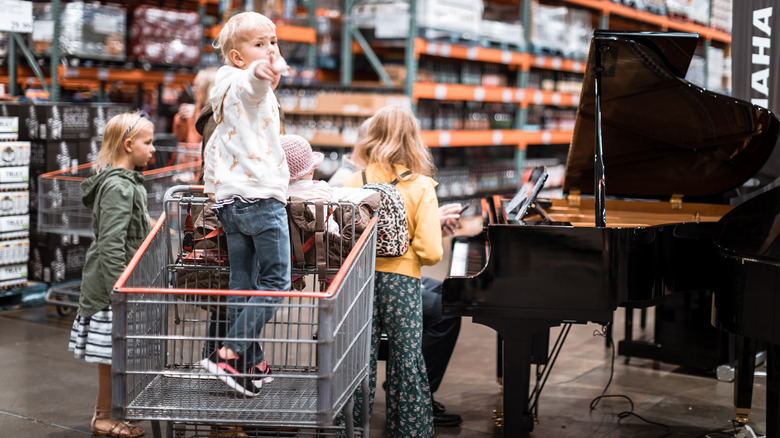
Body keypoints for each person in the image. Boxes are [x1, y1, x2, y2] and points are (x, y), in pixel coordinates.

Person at [199, 11, 290, 397]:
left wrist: (212, 188)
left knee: (242, 284)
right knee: (276, 282)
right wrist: (260, 76)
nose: (270, 50)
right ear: (238, 58)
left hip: (231, 203)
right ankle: (231, 354)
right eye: (259, 44)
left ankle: (249, 365)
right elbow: (251, 89)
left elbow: (215, 145)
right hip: (260, 200)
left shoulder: (220, 87)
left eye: (273, 42)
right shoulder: (244, 83)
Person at [344, 105, 443, 438]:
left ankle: (351, 429)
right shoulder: (422, 186)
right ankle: (410, 431)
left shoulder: (352, 182)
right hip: (401, 282)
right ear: (413, 140)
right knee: (406, 357)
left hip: (357, 280)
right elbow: (432, 252)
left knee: (358, 359)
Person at [68, 112, 155, 438]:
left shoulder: (126, 182)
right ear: (128, 144)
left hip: (118, 282)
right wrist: (121, 289)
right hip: (112, 287)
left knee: (118, 356)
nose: (152, 149)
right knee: (113, 357)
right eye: (147, 142)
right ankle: (104, 417)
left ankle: (114, 413)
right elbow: (111, 243)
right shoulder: (119, 187)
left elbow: (129, 227)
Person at [172, 67, 218, 144]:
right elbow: (180, 137)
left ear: (207, 89)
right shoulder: (193, 111)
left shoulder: (220, 113)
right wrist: (181, 120)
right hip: (193, 155)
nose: (193, 89)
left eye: (196, 85)